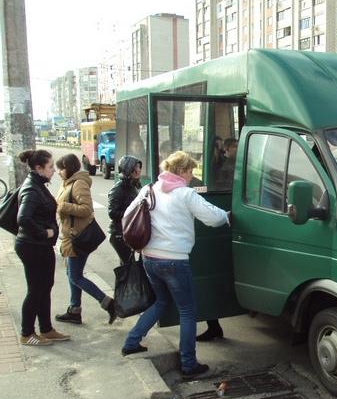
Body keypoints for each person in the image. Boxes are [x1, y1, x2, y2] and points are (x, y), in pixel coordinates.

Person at [121, 151, 230, 379]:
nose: (192, 176)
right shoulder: (185, 194)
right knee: (188, 311)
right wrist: (228, 214)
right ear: (181, 171)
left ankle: (131, 341)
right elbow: (213, 218)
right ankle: (189, 365)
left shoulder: (148, 189)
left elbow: (127, 217)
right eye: (190, 171)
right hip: (175, 261)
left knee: (161, 301)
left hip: (150, 258)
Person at [15, 150, 69, 346]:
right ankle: (27, 333)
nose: (53, 170)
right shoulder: (32, 188)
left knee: (45, 287)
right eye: (50, 166)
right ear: (39, 168)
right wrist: (44, 233)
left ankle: (46, 329)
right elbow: (23, 218)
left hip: (40, 246)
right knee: (36, 290)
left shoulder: (37, 185)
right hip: (33, 246)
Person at [55, 154, 116, 325]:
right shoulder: (68, 182)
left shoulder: (78, 183)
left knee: (75, 276)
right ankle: (75, 310)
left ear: (69, 168)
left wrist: (62, 206)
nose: (59, 172)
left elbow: (86, 209)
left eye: (61, 169)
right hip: (70, 235)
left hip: (78, 236)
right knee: (72, 274)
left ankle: (108, 303)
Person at [107, 156, 142, 264]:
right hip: (119, 234)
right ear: (128, 170)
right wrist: (134, 213)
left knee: (126, 267)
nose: (139, 171)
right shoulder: (118, 188)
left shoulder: (133, 185)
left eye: (139, 168)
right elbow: (112, 212)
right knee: (128, 268)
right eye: (135, 168)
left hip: (129, 231)